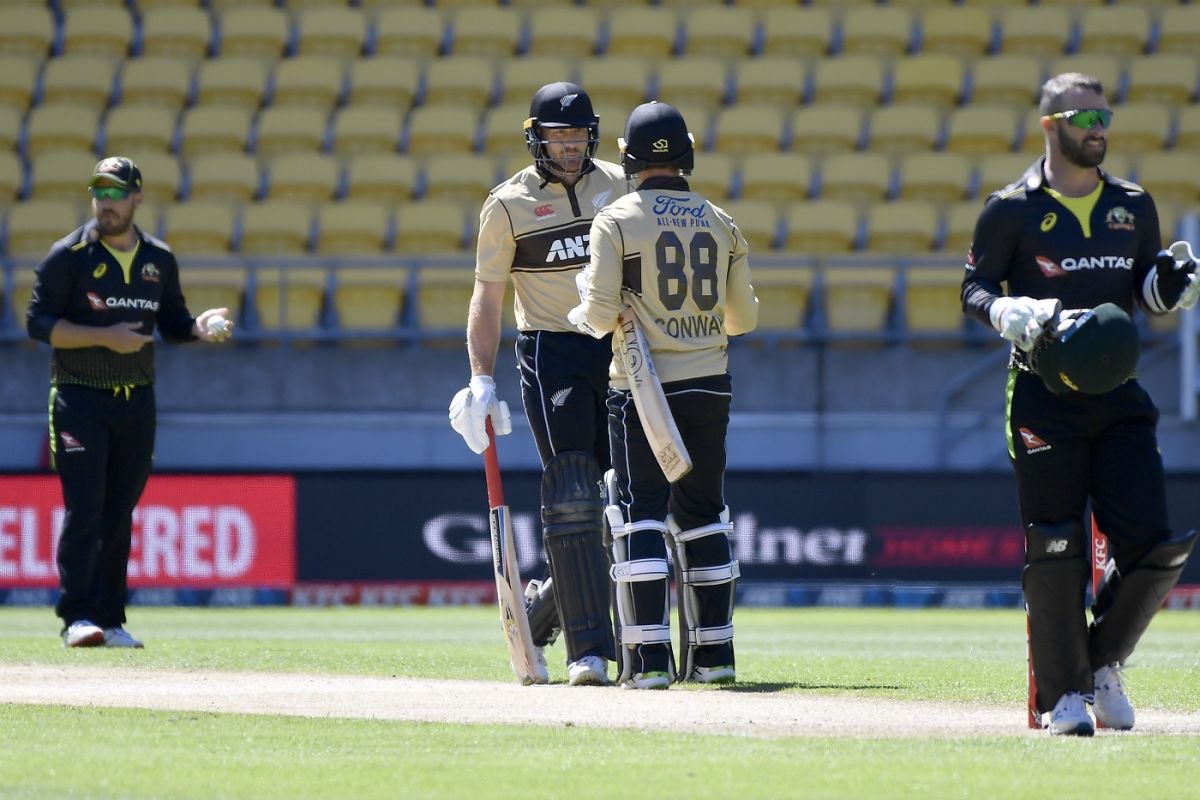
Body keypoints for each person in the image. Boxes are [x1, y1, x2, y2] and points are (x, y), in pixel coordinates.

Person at [961, 73, 1200, 735]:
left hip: (1119, 398)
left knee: (1156, 541)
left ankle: (1101, 664)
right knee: (1057, 547)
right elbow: (973, 287)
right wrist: (1002, 307)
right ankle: (1063, 699)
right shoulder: (1010, 208)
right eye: (1084, 117)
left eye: (1104, 117)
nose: (1098, 129)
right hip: (1042, 398)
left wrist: (1170, 285)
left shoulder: (1132, 203)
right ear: (1050, 125)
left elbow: (1146, 285)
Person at [569, 101, 758, 689]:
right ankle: (714, 659)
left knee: (639, 516)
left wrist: (580, 311)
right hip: (709, 383)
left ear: (626, 157)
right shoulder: (721, 220)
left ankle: (648, 663)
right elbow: (743, 319)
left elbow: (600, 315)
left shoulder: (615, 219)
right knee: (703, 516)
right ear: (687, 155)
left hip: (642, 388)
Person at [448, 82, 627, 686]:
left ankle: (544, 606)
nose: (571, 146)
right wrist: (479, 378)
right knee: (575, 490)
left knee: (618, 502)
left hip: (619, 350)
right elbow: (487, 295)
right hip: (554, 351)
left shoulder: (618, 185)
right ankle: (590, 651)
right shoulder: (506, 206)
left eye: (578, 135)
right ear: (537, 137)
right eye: (560, 136)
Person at [26, 156, 234, 648]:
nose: (107, 202)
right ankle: (77, 616)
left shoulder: (158, 260)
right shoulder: (68, 256)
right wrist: (104, 338)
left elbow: (173, 323)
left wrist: (198, 330)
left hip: (136, 402)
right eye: (100, 192)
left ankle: (111, 619)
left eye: (117, 193)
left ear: (137, 197)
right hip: (79, 397)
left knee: (120, 512)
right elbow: (38, 323)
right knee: (86, 509)